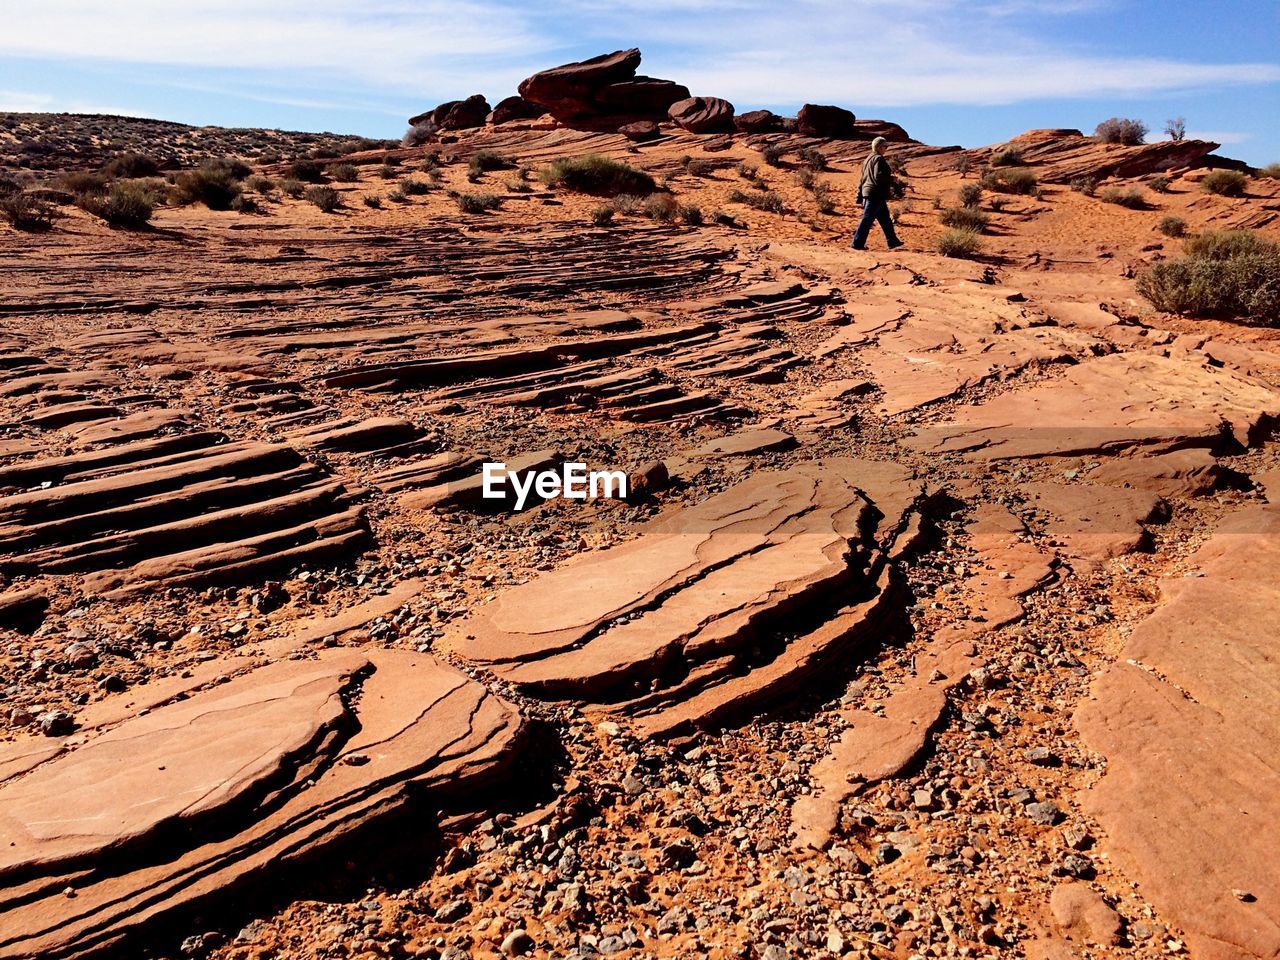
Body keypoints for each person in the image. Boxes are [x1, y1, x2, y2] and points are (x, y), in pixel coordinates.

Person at [852, 136, 904, 250]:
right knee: (867, 219)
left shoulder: (867, 160)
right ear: (879, 147)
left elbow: (863, 179)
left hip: (870, 192)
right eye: (885, 146)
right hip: (876, 193)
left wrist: (859, 195)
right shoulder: (879, 159)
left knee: (885, 219)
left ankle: (893, 241)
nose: (886, 149)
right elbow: (878, 177)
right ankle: (857, 243)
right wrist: (892, 179)